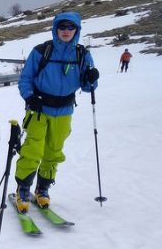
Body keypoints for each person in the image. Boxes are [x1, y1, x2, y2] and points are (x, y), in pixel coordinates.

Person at [14, 12, 99, 212]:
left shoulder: (82, 55)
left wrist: (91, 77)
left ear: (77, 30)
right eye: (62, 27)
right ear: (55, 29)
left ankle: (42, 189)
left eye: (71, 27)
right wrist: (29, 96)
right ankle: (23, 188)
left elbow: (88, 87)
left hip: (64, 112)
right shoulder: (41, 51)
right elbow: (25, 79)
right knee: (33, 150)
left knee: (53, 152)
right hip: (39, 109)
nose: (66, 31)